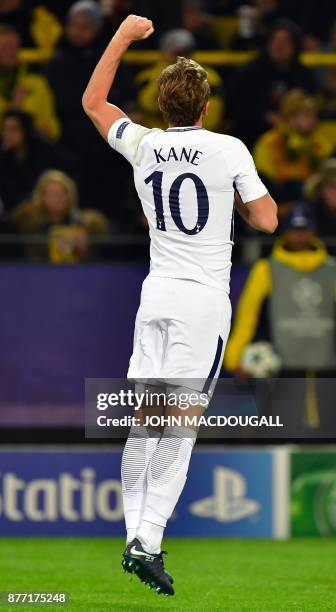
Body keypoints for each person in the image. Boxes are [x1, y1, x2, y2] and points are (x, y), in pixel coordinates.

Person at [82, 14, 277, 596]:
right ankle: (148, 541)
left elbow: (94, 102)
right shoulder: (228, 149)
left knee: (145, 423)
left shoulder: (144, 144)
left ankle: (133, 535)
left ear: (162, 105)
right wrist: (238, 205)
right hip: (201, 303)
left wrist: (120, 36)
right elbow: (266, 217)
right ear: (205, 106)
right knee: (180, 430)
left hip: (156, 296)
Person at [224, 203, 336, 432]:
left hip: (327, 365)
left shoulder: (331, 268)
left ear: (313, 230)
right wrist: (234, 358)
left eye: (304, 229)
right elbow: (247, 315)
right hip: (282, 365)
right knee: (281, 431)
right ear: (285, 230)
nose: (300, 235)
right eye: (295, 229)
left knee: (329, 434)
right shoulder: (267, 268)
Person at [45, 0, 135, 215]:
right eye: (73, 25)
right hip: (71, 142)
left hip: (106, 141)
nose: (77, 32)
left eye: (85, 27)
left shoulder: (109, 59)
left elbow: (125, 94)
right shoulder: (57, 62)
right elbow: (66, 104)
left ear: (96, 29)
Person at [227, 19, 317, 146]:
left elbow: (310, 105)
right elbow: (238, 105)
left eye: (285, 42)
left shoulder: (304, 75)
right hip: (254, 135)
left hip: (295, 135)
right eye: (274, 41)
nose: (278, 46)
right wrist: (264, 116)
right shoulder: (250, 72)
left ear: (295, 46)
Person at [135, 28, 224, 131]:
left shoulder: (208, 77)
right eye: (176, 53)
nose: (181, 58)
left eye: (186, 52)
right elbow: (146, 104)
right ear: (165, 52)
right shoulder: (147, 76)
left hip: (197, 136)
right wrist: (166, 74)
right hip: (158, 137)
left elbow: (213, 114)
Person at [254, 89, 334, 201]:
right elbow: (265, 186)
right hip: (280, 208)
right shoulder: (270, 143)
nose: (314, 120)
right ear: (291, 118)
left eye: (314, 114)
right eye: (307, 115)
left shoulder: (319, 144)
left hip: (312, 207)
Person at [0, 110, 76, 212]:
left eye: (14, 129)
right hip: (16, 212)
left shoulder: (44, 149)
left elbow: (70, 166)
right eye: (5, 129)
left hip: (49, 207)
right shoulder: (4, 156)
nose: (8, 134)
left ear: (25, 130)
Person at [0, 25, 60, 139]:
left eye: (14, 47)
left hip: (34, 149)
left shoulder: (36, 82)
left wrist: (43, 131)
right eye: (4, 48)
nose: (10, 52)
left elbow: (52, 127)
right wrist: (14, 110)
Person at [12, 169, 78, 260]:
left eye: (62, 193)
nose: (57, 199)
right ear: (41, 197)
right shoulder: (29, 225)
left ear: (69, 196)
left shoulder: (78, 224)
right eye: (52, 194)